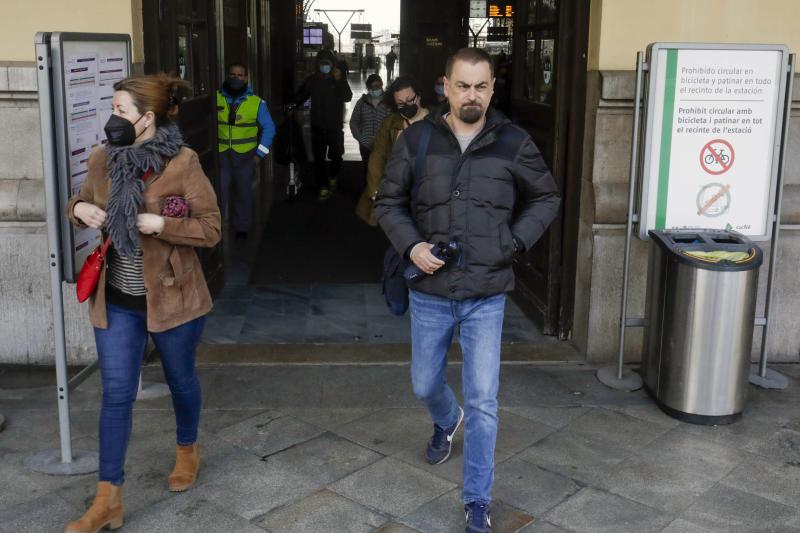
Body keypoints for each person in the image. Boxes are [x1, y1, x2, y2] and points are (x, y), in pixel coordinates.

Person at [374, 48, 560, 533]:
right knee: (422, 383)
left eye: (481, 86)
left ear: (492, 89)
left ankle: (477, 497)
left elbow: (546, 196)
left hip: (486, 294)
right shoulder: (416, 140)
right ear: (445, 86)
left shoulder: (513, 143)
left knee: (485, 400)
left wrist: (514, 239)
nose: (471, 94)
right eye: (462, 85)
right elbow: (388, 202)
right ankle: (444, 417)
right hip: (431, 292)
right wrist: (412, 245)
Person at [64, 74, 221, 533]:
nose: (112, 119)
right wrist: (80, 211)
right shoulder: (102, 159)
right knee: (115, 393)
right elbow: (79, 201)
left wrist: (162, 224)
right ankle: (107, 499)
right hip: (116, 299)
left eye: (120, 111)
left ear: (147, 118)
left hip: (173, 296)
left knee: (180, 380)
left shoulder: (183, 163)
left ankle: (187, 447)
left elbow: (210, 227)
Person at [356, 76, 428, 226]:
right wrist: (376, 190)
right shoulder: (390, 123)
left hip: (427, 191)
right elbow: (378, 156)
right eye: (401, 104)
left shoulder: (436, 122)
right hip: (399, 191)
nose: (406, 106)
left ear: (419, 96)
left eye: (410, 100)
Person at [217, 62, 275, 241]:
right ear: (227, 76)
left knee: (243, 193)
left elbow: (269, 129)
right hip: (222, 155)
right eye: (232, 74)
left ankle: (242, 227)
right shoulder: (216, 98)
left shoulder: (257, 103)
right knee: (219, 192)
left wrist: (259, 155)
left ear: (246, 78)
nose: (236, 78)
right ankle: (215, 227)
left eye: (240, 75)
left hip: (246, 157)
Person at [295, 51, 353, 200]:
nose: (325, 67)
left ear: (333, 65)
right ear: (317, 65)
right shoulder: (312, 80)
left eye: (327, 64)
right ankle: (323, 186)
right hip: (317, 126)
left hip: (334, 127)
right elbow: (301, 96)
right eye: (322, 64)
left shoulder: (338, 80)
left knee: (337, 156)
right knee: (319, 159)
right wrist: (293, 106)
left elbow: (348, 97)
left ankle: (333, 176)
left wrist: (340, 80)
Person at [349, 74, 391, 186]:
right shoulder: (361, 103)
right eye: (372, 87)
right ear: (368, 88)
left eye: (378, 86)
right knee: (367, 170)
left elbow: (393, 123)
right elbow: (354, 122)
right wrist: (361, 138)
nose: (375, 89)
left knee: (383, 170)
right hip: (366, 145)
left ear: (382, 85)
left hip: (384, 145)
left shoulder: (389, 103)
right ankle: (368, 193)